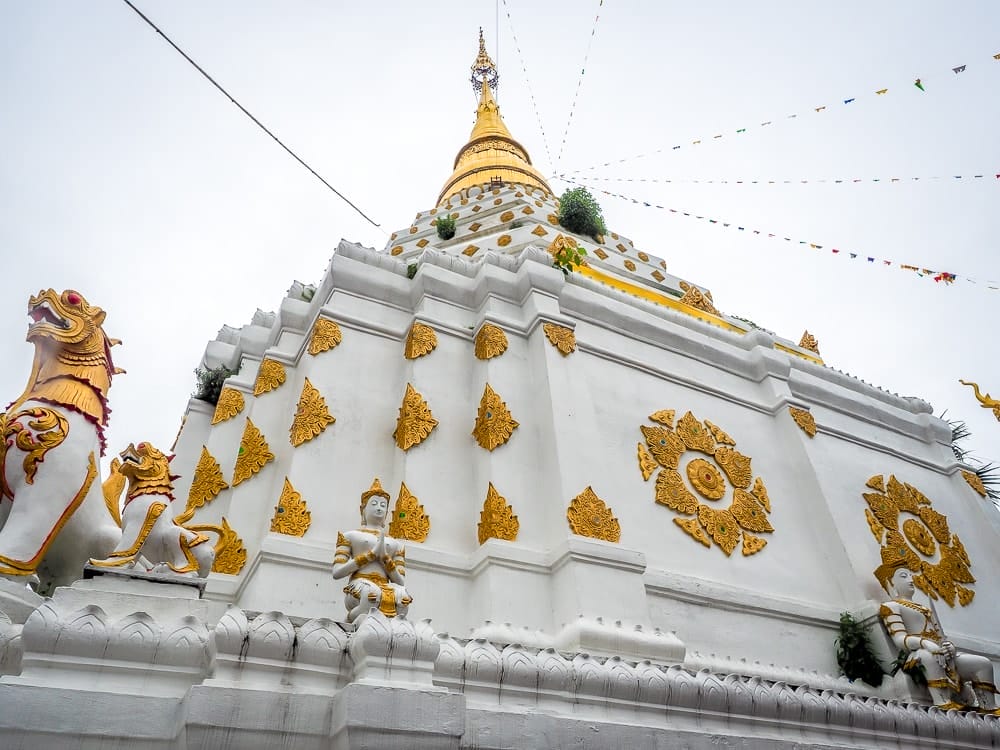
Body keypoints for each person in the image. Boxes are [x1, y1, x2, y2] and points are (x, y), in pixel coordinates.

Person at [877, 563, 998, 713]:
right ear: (890, 582)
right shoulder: (890, 606)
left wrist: (948, 646)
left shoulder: (925, 608)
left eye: (910, 575)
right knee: (928, 656)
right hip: (920, 653)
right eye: (903, 576)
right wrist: (925, 643)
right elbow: (900, 640)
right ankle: (942, 700)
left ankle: (988, 706)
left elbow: (941, 637)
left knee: (982, 663)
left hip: (942, 654)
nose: (910, 580)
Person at [332, 478, 412, 623]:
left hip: (386, 585)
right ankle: (349, 620)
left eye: (383, 505)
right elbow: (337, 572)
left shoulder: (396, 544)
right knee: (372, 594)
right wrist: (369, 556)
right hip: (360, 585)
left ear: (387, 512)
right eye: (374, 503)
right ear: (363, 509)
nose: (379, 508)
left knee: (403, 597)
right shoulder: (350, 536)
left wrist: (385, 559)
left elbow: (400, 581)